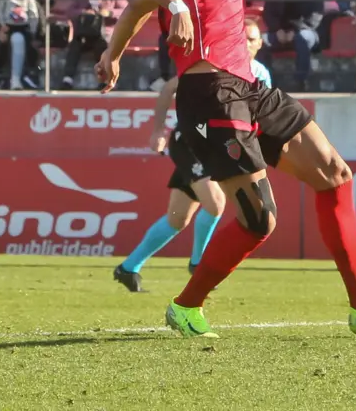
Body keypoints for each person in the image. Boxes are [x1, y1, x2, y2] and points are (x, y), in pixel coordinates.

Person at [96, 0, 356, 338]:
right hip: (213, 91)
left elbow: (140, 3)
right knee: (259, 219)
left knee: (334, 174)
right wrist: (174, 10)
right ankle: (186, 306)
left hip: (248, 87)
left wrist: (113, 54)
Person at [112, 16, 267, 292]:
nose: (245, 43)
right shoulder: (216, 62)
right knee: (216, 203)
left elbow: (258, 115)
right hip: (191, 140)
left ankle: (128, 268)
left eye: (251, 39)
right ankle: (198, 264)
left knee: (178, 217)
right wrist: (159, 129)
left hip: (216, 145)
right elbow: (170, 88)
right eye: (242, 37)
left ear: (260, 43)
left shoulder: (261, 74)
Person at [60, 0, 127, 89]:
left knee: (102, 46)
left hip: (105, 33)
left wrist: (109, 13)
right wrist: (84, 12)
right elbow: (70, 11)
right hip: (85, 32)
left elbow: (126, 11)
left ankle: (105, 80)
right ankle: (67, 79)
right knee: (74, 45)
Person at [263, 0, 324, 89]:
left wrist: (295, 31)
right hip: (279, 32)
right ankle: (266, 83)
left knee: (303, 38)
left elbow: (315, 17)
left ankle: (301, 81)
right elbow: (268, 13)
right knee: (259, 42)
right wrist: (277, 29)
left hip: (305, 30)